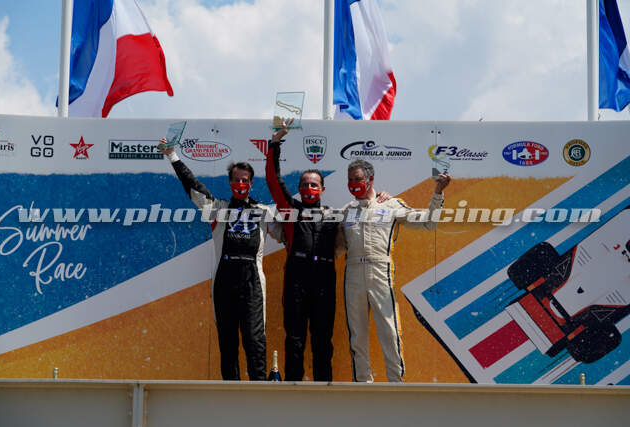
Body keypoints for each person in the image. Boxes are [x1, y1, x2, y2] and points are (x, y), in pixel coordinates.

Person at [266, 123, 390, 381]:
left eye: (314, 185)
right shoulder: (290, 210)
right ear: (299, 188)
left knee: (323, 340)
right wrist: (275, 144)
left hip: (324, 279)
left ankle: (324, 392)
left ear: (323, 189)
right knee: (295, 340)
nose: (309, 188)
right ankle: (293, 391)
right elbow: (274, 181)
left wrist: (381, 197)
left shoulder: (336, 215)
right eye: (304, 184)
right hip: (296, 279)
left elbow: (362, 216)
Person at [159, 140, 282, 381]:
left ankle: (260, 392)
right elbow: (194, 187)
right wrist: (172, 155)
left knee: (255, 340)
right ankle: (230, 394)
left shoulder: (264, 212)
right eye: (236, 180)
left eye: (245, 180)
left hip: (253, 284)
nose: (240, 184)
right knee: (227, 342)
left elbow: (289, 236)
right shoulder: (217, 209)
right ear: (229, 182)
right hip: (224, 283)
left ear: (251, 183)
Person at [341, 159, 451, 382]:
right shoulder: (346, 211)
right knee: (356, 333)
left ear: (370, 179)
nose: (353, 184)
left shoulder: (391, 205)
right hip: (352, 272)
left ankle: (395, 382)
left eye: (358, 179)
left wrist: (438, 193)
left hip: (380, 270)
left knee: (389, 329)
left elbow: (428, 222)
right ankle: (362, 382)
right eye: (350, 180)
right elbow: (334, 245)